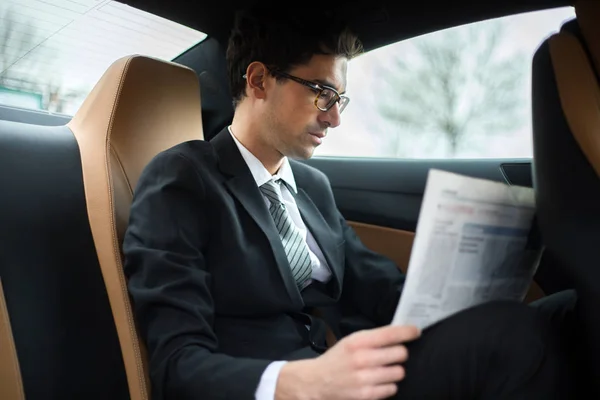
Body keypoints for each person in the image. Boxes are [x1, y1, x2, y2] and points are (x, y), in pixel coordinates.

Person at [122, 5, 588, 400]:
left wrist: (475, 280)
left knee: (568, 314)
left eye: (340, 97)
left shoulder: (314, 188)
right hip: (292, 387)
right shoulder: (182, 179)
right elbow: (176, 365)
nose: (336, 118)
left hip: (356, 375)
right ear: (260, 80)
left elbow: (383, 291)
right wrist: (303, 381)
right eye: (323, 93)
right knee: (516, 338)